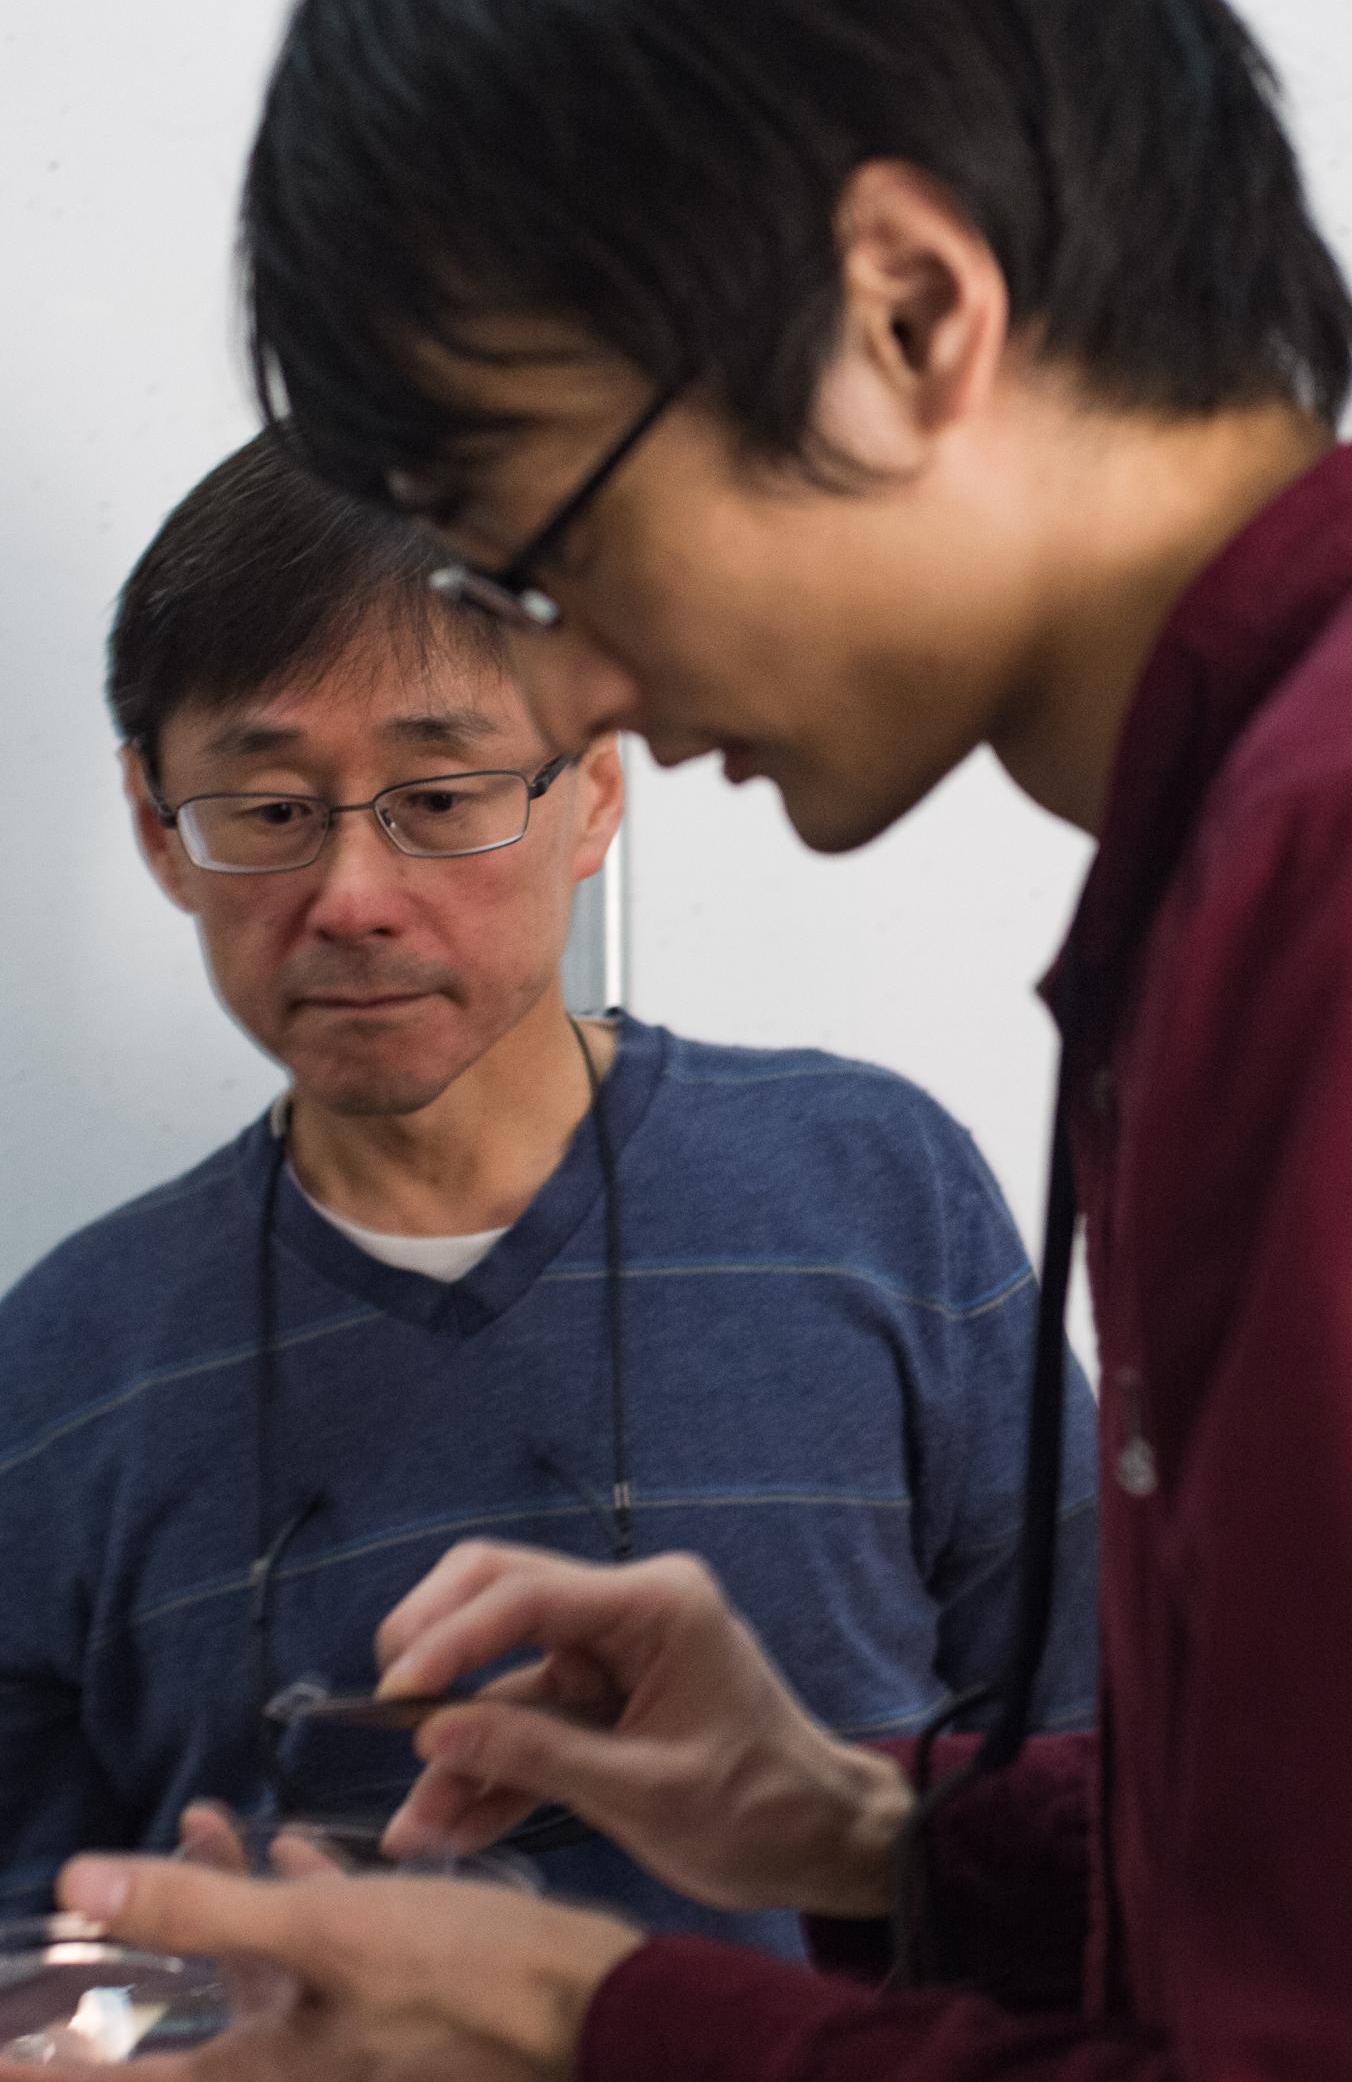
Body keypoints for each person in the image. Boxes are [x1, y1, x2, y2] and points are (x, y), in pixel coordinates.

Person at [8, 0, 1352, 2074]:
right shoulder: (1303, 814)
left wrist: (607, 2026)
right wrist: (872, 1829)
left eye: (549, 549)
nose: (582, 692)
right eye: (269, 810)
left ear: (906, 312)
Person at [0, 430, 1098, 1950]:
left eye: (441, 797)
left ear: (592, 793)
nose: (354, 898)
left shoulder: (874, 1189)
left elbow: (1113, 1785)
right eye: (267, 812)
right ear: (154, 826)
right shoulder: (58, 1360)